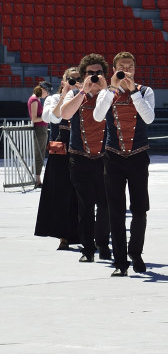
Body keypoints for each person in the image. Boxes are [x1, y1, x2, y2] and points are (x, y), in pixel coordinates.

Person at [93, 51, 156, 277]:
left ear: (135, 69)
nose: (126, 70)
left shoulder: (146, 92)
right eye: (122, 67)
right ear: (114, 69)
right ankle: (120, 262)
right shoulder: (105, 94)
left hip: (138, 155)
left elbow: (149, 118)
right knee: (115, 211)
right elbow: (99, 116)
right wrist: (112, 89)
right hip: (113, 156)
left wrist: (133, 92)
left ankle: (135, 252)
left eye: (129, 67)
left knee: (140, 210)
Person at [57, 54, 110, 264]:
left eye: (98, 73)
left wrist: (106, 89)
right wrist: (84, 91)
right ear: (83, 75)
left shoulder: (111, 95)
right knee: (85, 205)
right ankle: (87, 249)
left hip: (106, 158)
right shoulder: (76, 95)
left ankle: (103, 245)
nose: (94, 76)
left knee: (106, 205)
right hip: (79, 157)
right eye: (90, 73)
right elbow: (66, 114)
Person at [35, 68, 81, 251]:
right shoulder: (53, 98)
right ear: (63, 81)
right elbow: (52, 117)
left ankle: (84, 232)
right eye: (70, 79)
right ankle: (63, 236)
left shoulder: (84, 96)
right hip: (60, 151)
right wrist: (64, 95)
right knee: (60, 195)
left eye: (78, 79)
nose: (74, 82)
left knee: (82, 195)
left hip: (80, 149)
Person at [28, 83, 47, 187]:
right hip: (39, 129)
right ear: (42, 89)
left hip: (42, 128)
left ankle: (37, 178)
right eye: (47, 91)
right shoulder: (34, 100)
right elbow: (34, 119)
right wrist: (47, 117)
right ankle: (37, 180)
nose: (47, 94)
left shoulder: (37, 99)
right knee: (39, 154)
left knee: (40, 154)